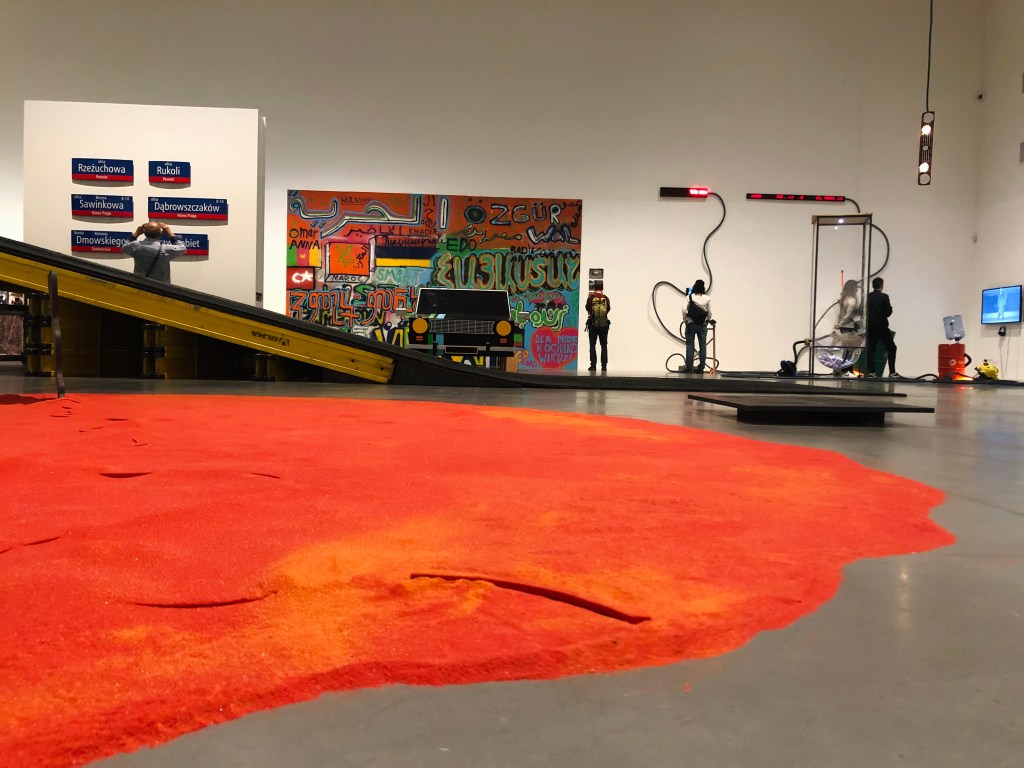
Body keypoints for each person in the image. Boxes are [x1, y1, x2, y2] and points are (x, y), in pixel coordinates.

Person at [120, 222, 187, 283]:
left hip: (140, 285)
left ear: (144, 233)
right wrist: (170, 233)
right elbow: (182, 248)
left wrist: (136, 233)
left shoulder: (136, 246)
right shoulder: (166, 249)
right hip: (160, 287)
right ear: (161, 234)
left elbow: (124, 247)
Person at [865, 276, 898, 377]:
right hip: (882, 326)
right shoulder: (884, 296)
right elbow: (888, 312)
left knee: (870, 349)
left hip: (870, 327)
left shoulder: (867, 296)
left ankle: (872, 372)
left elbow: (863, 311)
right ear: (881, 285)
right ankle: (892, 372)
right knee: (892, 347)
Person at [683, 279, 712, 373]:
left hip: (691, 324)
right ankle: (701, 368)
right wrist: (707, 321)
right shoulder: (707, 298)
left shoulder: (690, 297)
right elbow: (709, 313)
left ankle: (689, 368)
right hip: (702, 325)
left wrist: (685, 320)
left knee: (690, 345)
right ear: (703, 288)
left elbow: (684, 310)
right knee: (703, 346)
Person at [584, 281, 610, 372]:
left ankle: (593, 365)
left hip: (593, 325)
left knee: (592, 344)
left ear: (595, 288)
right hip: (603, 326)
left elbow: (587, 308)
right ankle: (604, 366)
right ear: (602, 288)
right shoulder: (606, 298)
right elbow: (608, 309)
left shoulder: (591, 298)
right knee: (604, 345)